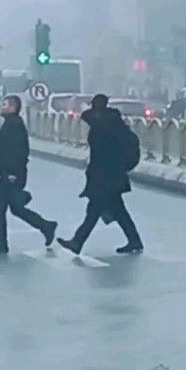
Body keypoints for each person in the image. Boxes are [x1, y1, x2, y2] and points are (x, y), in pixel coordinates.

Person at [0, 95, 57, 254]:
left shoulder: (14, 125)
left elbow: (17, 151)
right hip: (11, 173)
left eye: (5, 105)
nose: (2, 107)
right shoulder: (11, 124)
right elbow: (1, 147)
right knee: (15, 208)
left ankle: (1, 242)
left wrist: (12, 173)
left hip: (11, 174)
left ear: (12, 107)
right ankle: (45, 226)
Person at [58, 95, 143, 255]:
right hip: (114, 175)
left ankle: (77, 242)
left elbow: (87, 116)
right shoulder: (116, 124)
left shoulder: (102, 124)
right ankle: (134, 240)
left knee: (94, 211)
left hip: (104, 177)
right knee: (119, 211)